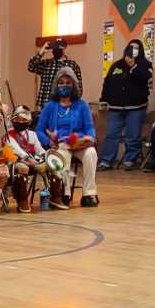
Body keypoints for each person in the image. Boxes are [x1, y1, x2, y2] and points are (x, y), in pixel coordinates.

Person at [35, 67, 99, 208]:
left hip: (79, 144)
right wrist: (48, 141)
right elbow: (39, 130)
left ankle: (89, 194)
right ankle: (64, 193)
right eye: (61, 82)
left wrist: (90, 138)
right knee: (62, 153)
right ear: (56, 86)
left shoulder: (82, 105)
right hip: (59, 144)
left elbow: (89, 128)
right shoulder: (49, 106)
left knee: (91, 153)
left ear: (74, 85)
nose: (64, 85)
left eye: (68, 83)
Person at [98, 39, 151, 170]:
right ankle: (106, 161)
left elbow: (146, 78)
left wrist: (133, 66)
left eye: (136, 48)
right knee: (111, 135)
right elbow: (107, 83)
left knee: (132, 135)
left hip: (136, 108)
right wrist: (103, 99)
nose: (133, 51)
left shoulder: (145, 65)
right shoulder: (116, 65)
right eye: (131, 48)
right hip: (115, 108)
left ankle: (130, 160)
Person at [4, 105, 46, 213]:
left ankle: (56, 197)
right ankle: (22, 200)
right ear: (13, 119)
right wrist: (31, 161)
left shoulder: (32, 134)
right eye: (18, 119)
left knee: (51, 165)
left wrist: (45, 158)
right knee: (22, 167)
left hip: (33, 162)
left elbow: (39, 150)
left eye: (23, 120)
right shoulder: (8, 135)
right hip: (15, 163)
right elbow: (17, 151)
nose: (20, 122)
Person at [28, 38, 82, 109]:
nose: (56, 50)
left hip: (64, 106)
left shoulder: (72, 65)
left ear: (65, 48)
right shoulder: (46, 63)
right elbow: (31, 67)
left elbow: (79, 88)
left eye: (59, 48)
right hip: (46, 105)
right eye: (55, 48)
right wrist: (41, 52)